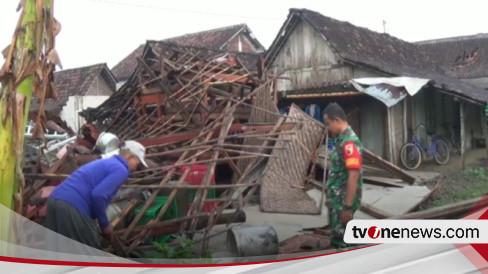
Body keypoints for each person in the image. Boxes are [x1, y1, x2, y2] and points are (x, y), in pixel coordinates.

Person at [44, 140, 148, 249]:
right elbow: (98, 195)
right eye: (138, 163)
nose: (136, 167)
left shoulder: (107, 162)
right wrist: (105, 225)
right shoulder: (121, 169)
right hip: (73, 206)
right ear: (131, 157)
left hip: (55, 200)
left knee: (57, 251)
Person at [322, 103, 363, 248]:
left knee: (343, 242)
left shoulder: (349, 143)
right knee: (339, 238)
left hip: (342, 202)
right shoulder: (340, 140)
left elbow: (353, 175)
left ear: (337, 120)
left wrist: (347, 207)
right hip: (337, 201)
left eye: (328, 124)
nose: (328, 128)